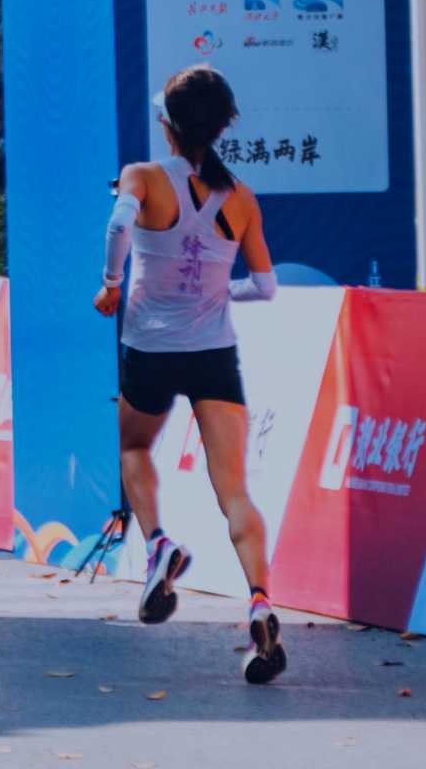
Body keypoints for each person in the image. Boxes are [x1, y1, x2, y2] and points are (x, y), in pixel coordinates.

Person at [95, 64, 285, 686]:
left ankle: (158, 544)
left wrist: (112, 284)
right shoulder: (242, 197)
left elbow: (119, 225)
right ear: (221, 126)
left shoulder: (144, 176)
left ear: (168, 125)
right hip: (213, 352)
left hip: (150, 347)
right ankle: (259, 601)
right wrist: (218, 293)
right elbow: (266, 287)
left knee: (132, 447)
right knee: (234, 491)